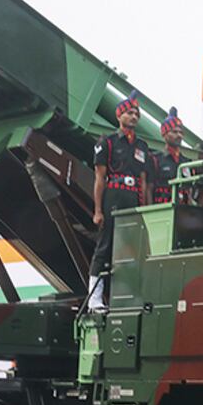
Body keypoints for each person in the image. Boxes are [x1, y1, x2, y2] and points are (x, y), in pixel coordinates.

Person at [87, 91, 149, 312]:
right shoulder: (108, 142)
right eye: (129, 113)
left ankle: (128, 297)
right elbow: (100, 178)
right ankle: (95, 299)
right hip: (114, 195)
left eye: (136, 114)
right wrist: (97, 210)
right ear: (119, 116)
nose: (133, 117)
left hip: (133, 197)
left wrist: (145, 209)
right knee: (105, 246)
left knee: (132, 248)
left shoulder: (142, 146)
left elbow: (144, 181)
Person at [147, 107, 186, 206]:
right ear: (164, 135)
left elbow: (189, 192)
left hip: (182, 209)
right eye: (174, 132)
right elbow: (149, 188)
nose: (179, 135)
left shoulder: (186, 162)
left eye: (181, 132)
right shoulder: (155, 159)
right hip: (162, 208)